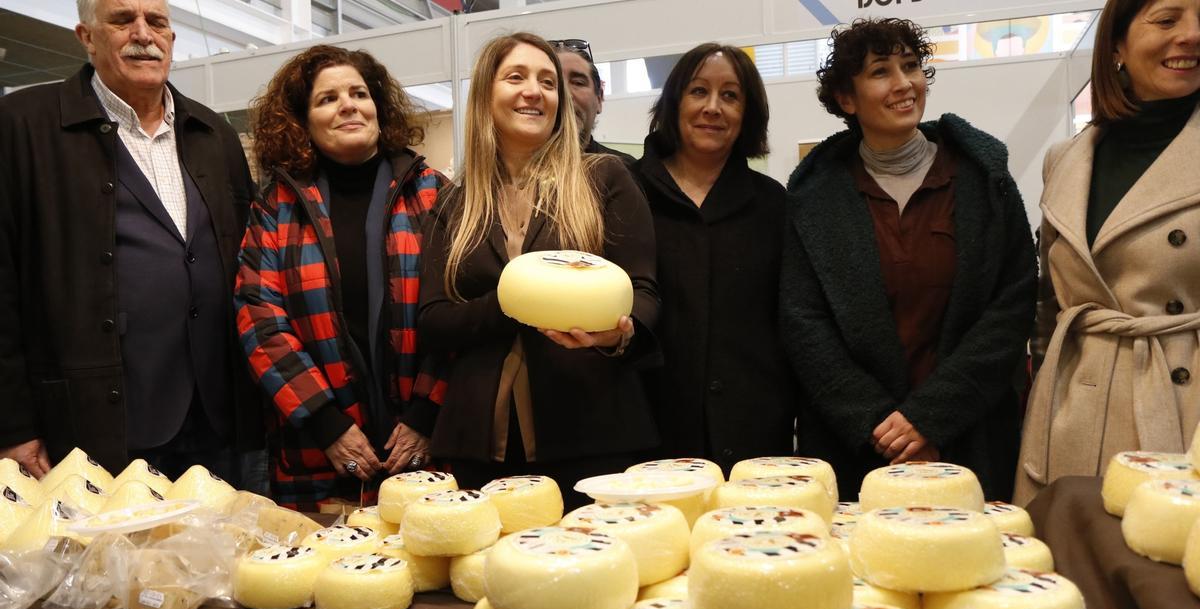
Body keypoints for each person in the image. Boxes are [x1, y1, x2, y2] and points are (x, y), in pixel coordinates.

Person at [0, 0, 264, 488]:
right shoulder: (21, 126)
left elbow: (249, 267)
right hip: (94, 426)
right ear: (86, 36)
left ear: (171, 38)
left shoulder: (214, 134)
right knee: (115, 564)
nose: (143, 34)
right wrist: (12, 424)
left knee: (219, 558)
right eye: (122, 20)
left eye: (157, 22)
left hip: (215, 418)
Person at [781, 18, 1037, 500]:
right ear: (847, 99)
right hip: (856, 442)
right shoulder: (813, 195)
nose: (904, 84)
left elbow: (1013, 301)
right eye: (881, 71)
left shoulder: (983, 179)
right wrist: (879, 423)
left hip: (968, 432)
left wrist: (930, 416)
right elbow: (803, 322)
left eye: (912, 66)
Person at [419, 33, 659, 506]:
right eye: (516, 77)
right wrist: (518, 303)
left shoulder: (605, 178)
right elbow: (432, 322)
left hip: (593, 431)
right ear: (486, 95)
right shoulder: (454, 202)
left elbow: (644, 293)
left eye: (548, 82)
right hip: (479, 444)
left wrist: (616, 336)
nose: (535, 91)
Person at [235, 45, 448, 511]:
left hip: (425, 453)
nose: (349, 104)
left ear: (378, 106)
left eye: (359, 93)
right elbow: (259, 319)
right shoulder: (275, 206)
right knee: (323, 578)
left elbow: (460, 308)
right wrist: (326, 423)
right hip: (317, 458)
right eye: (327, 99)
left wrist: (426, 414)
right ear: (302, 121)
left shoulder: (434, 193)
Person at [1016, 0, 1200, 503]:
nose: (1190, 35)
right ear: (1116, 45)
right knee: (1071, 565)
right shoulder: (1067, 158)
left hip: (1185, 410)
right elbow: (1048, 304)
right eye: (1167, 20)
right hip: (1076, 407)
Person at [633, 43, 797, 473]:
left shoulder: (773, 204)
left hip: (754, 436)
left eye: (730, 95)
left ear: (749, 113)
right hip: (649, 434)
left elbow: (789, 321)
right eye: (698, 91)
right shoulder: (628, 193)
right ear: (674, 102)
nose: (713, 107)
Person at [550, 38, 636, 164]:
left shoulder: (628, 170)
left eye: (578, 83)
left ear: (599, 98)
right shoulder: (515, 172)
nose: (565, 94)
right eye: (550, 83)